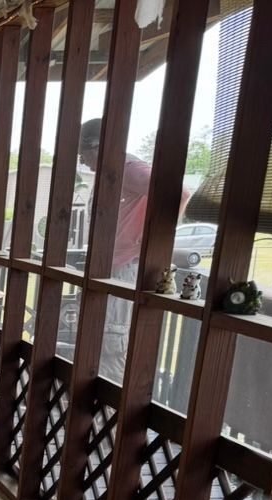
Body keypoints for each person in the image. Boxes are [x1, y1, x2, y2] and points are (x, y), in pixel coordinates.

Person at [77, 118, 190, 382]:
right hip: (111, 265)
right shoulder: (111, 173)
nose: (82, 162)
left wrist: (154, 239)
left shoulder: (128, 168)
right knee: (99, 338)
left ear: (98, 147)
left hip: (125, 267)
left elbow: (179, 193)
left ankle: (111, 404)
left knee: (111, 342)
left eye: (83, 154)